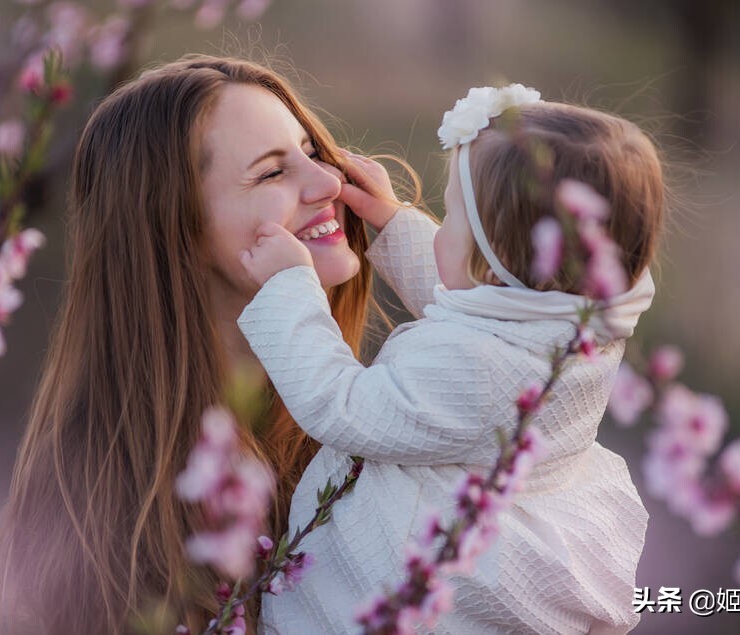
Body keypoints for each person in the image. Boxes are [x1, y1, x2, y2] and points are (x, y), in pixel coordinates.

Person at [0, 55, 420, 633]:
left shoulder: (362, 430)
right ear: (176, 228)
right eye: (271, 173)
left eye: (312, 152)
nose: (328, 182)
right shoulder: (99, 509)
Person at [239, 86, 665, 633]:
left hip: (415, 577)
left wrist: (286, 288)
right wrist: (389, 219)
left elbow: (341, 406)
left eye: (455, 218)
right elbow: (469, 304)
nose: (439, 228)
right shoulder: (565, 320)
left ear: (495, 259)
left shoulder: (485, 369)